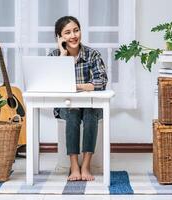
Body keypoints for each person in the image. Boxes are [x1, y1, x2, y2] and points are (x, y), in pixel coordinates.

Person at [48, 16, 108, 181]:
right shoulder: (54, 56)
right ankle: (74, 165)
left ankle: (86, 165)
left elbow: (101, 81)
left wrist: (74, 86)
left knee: (89, 113)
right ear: (59, 37)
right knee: (73, 113)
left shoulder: (92, 54)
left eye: (76, 30)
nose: (73, 35)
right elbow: (53, 83)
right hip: (66, 107)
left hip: (90, 106)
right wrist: (62, 55)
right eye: (67, 32)